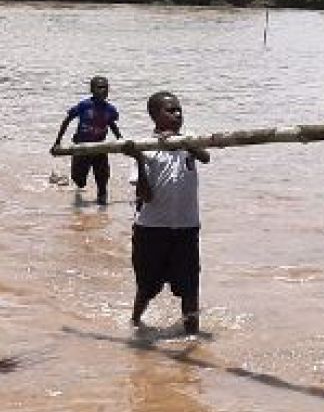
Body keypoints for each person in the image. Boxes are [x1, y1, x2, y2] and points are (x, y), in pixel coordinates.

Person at [125, 91, 211, 335]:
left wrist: (184, 142)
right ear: (154, 116)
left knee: (190, 287)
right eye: (170, 111)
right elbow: (146, 196)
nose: (177, 114)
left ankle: (192, 336)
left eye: (179, 110)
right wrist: (139, 160)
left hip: (186, 227)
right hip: (151, 229)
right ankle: (135, 322)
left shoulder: (190, 140)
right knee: (147, 286)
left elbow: (205, 157)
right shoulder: (147, 148)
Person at [51, 75, 123, 204]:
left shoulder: (110, 109)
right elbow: (67, 120)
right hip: (82, 147)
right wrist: (57, 141)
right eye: (100, 87)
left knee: (102, 181)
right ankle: (73, 190)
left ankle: (102, 211)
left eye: (106, 88)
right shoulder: (84, 105)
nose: (104, 91)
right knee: (79, 181)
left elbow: (111, 124)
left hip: (100, 148)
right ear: (92, 90)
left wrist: (120, 139)